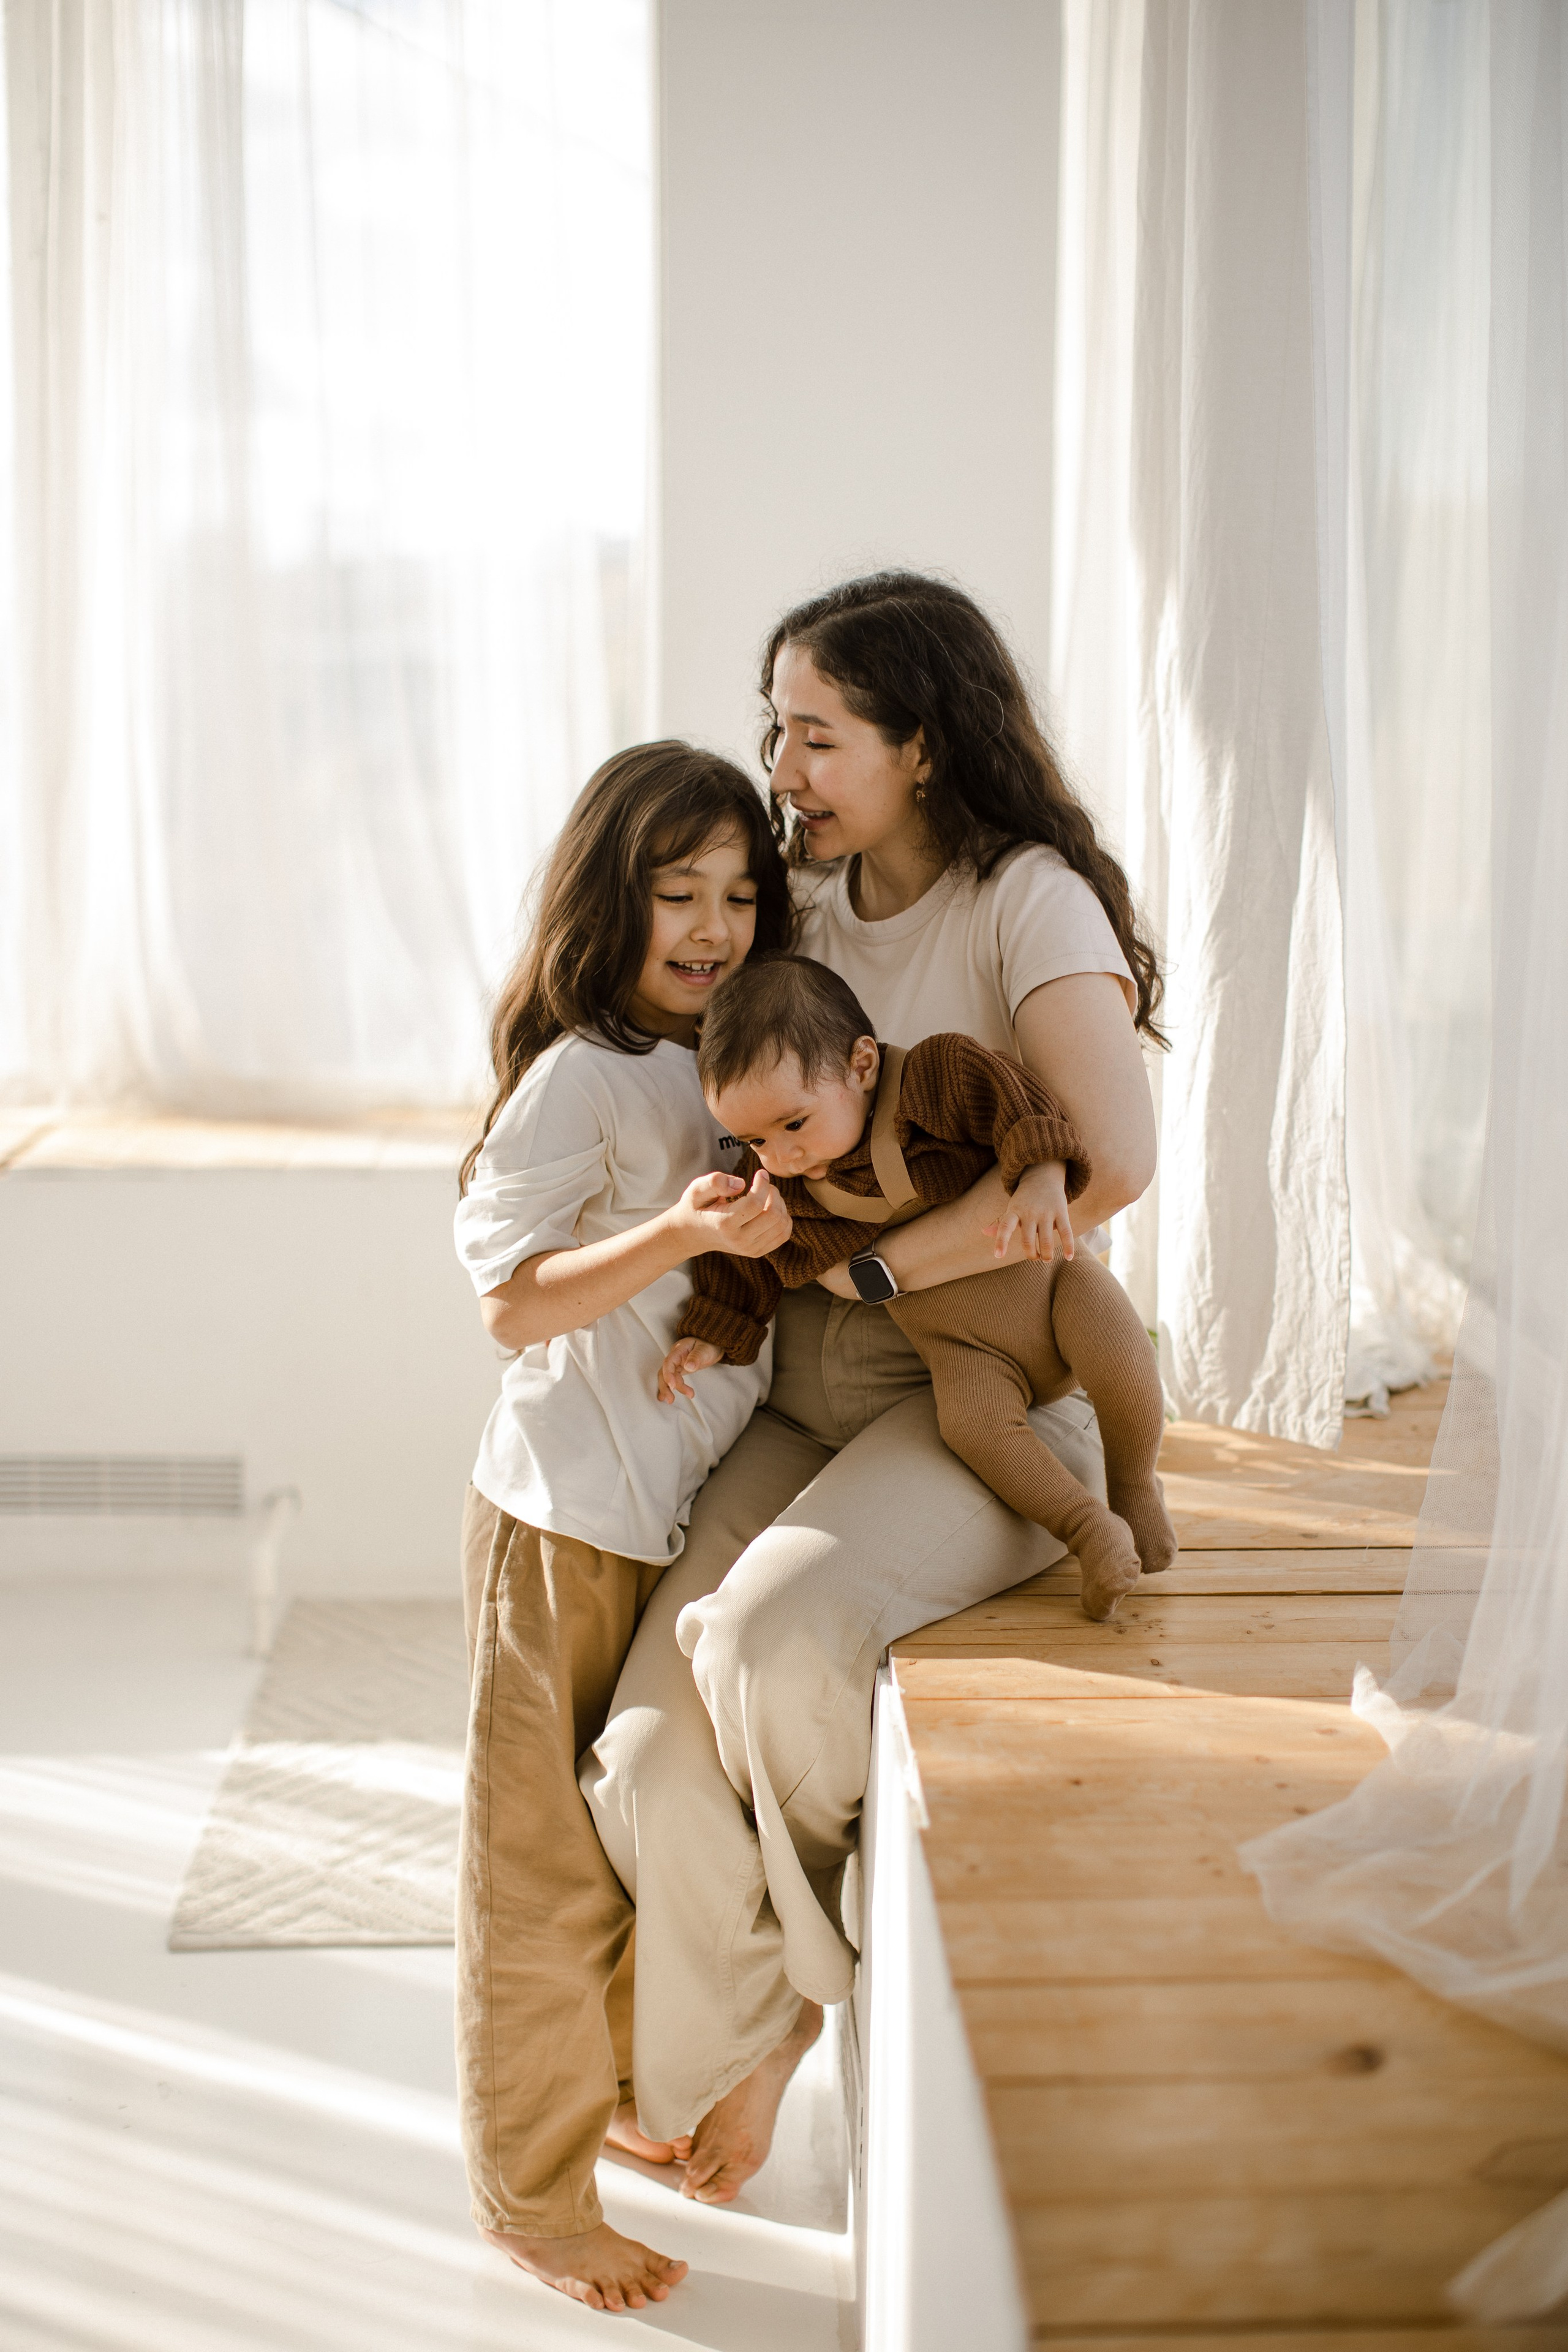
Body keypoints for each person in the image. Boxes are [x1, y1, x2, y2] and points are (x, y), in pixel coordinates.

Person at [581, 571, 1166, 2206]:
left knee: (768, 1646)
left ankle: (785, 2034)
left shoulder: (1023, 898)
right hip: (804, 1381)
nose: (784, 765)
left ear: (919, 745)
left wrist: (878, 1271)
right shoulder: (806, 912)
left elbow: (1111, 1158)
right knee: (640, 1757)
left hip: (980, 1374)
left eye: (817, 735)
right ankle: (729, 2044)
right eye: (778, 728)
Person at [451, 740, 793, 2312]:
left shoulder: (733, 1048)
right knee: (538, 1871)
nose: (713, 924)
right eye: (677, 894)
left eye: (738, 891)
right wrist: (673, 1228)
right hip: (560, 1519)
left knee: (625, 1837)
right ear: (612, 899)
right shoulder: (581, 1069)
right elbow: (511, 1304)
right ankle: (527, 2194)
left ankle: (602, 2104)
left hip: (666, 1515)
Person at [662, 954, 1174, 1619]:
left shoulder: (936, 1079)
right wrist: (713, 1332)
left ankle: (1133, 1485)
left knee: (1116, 1345)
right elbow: (743, 1263)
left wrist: (1044, 1176)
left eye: (794, 1124)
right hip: (963, 1353)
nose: (780, 1155)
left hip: (1052, 1293)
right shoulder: (784, 1185)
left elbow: (1021, 1107)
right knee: (972, 1426)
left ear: (863, 1065)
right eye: (754, 1140)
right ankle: (1086, 1527)